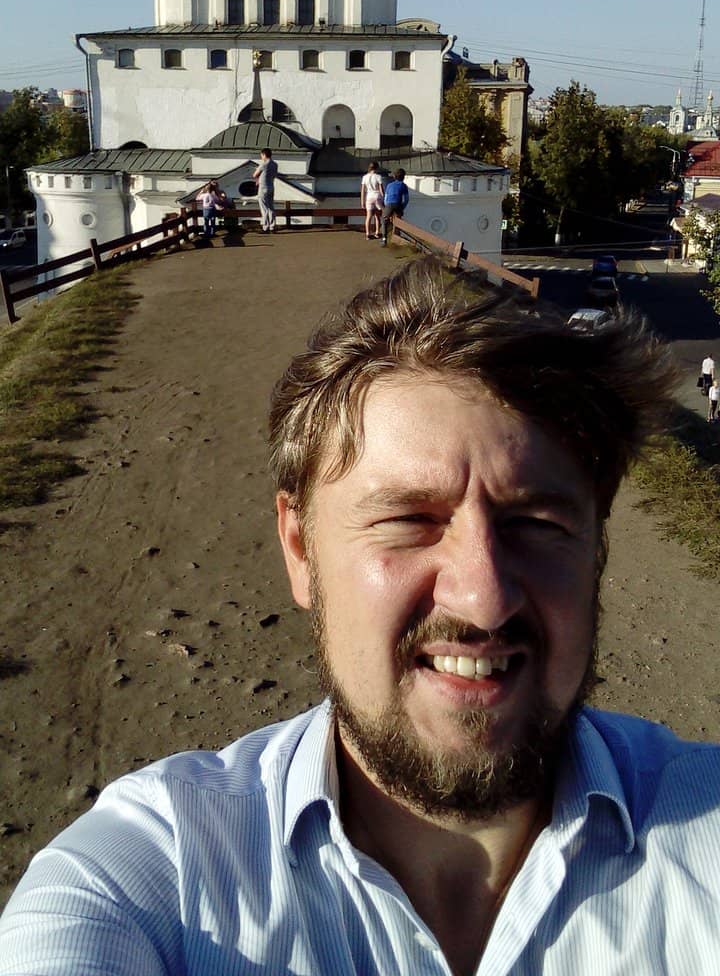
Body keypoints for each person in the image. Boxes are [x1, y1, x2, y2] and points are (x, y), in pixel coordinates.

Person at [4, 260, 720, 975]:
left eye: (535, 522)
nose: (484, 597)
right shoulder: (152, 875)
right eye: (409, 519)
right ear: (300, 548)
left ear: (596, 545)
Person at [380, 166, 409, 245]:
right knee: (398, 218)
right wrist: (402, 208)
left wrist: (387, 207)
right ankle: (397, 236)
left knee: (384, 219)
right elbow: (406, 199)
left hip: (389, 204)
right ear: (403, 177)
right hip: (398, 204)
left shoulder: (389, 185)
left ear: (395, 176)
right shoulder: (403, 186)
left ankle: (384, 239)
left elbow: (386, 198)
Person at [253, 147, 278, 233]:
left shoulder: (264, 164)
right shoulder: (275, 164)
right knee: (271, 207)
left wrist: (257, 172)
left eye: (261, 155)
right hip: (271, 186)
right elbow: (274, 175)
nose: (261, 157)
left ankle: (265, 227)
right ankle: (272, 226)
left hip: (263, 187)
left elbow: (254, 175)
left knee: (264, 208)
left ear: (264, 155)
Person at [360, 160, 384, 239]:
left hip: (369, 196)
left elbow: (363, 190)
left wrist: (362, 201)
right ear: (377, 168)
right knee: (377, 216)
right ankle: (377, 232)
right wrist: (384, 197)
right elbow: (381, 189)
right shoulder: (378, 176)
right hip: (377, 196)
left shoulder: (365, 177)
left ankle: (367, 234)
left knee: (369, 216)